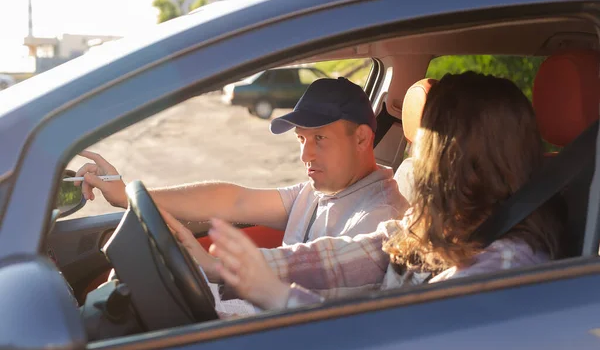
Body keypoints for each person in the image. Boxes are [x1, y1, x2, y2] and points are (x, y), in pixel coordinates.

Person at [167, 71, 565, 310]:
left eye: (423, 144)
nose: (415, 157)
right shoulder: (440, 225)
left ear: (452, 161)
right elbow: (356, 256)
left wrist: (277, 295)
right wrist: (222, 268)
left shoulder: (503, 270)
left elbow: (397, 343)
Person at [76, 77, 408, 282]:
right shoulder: (321, 192)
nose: (305, 156)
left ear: (363, 139)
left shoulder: (379, 217)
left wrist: (214, 267)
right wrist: (129, 195)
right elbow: (234, 199)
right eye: (301, 140)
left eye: (319, 139)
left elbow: (320, 271)